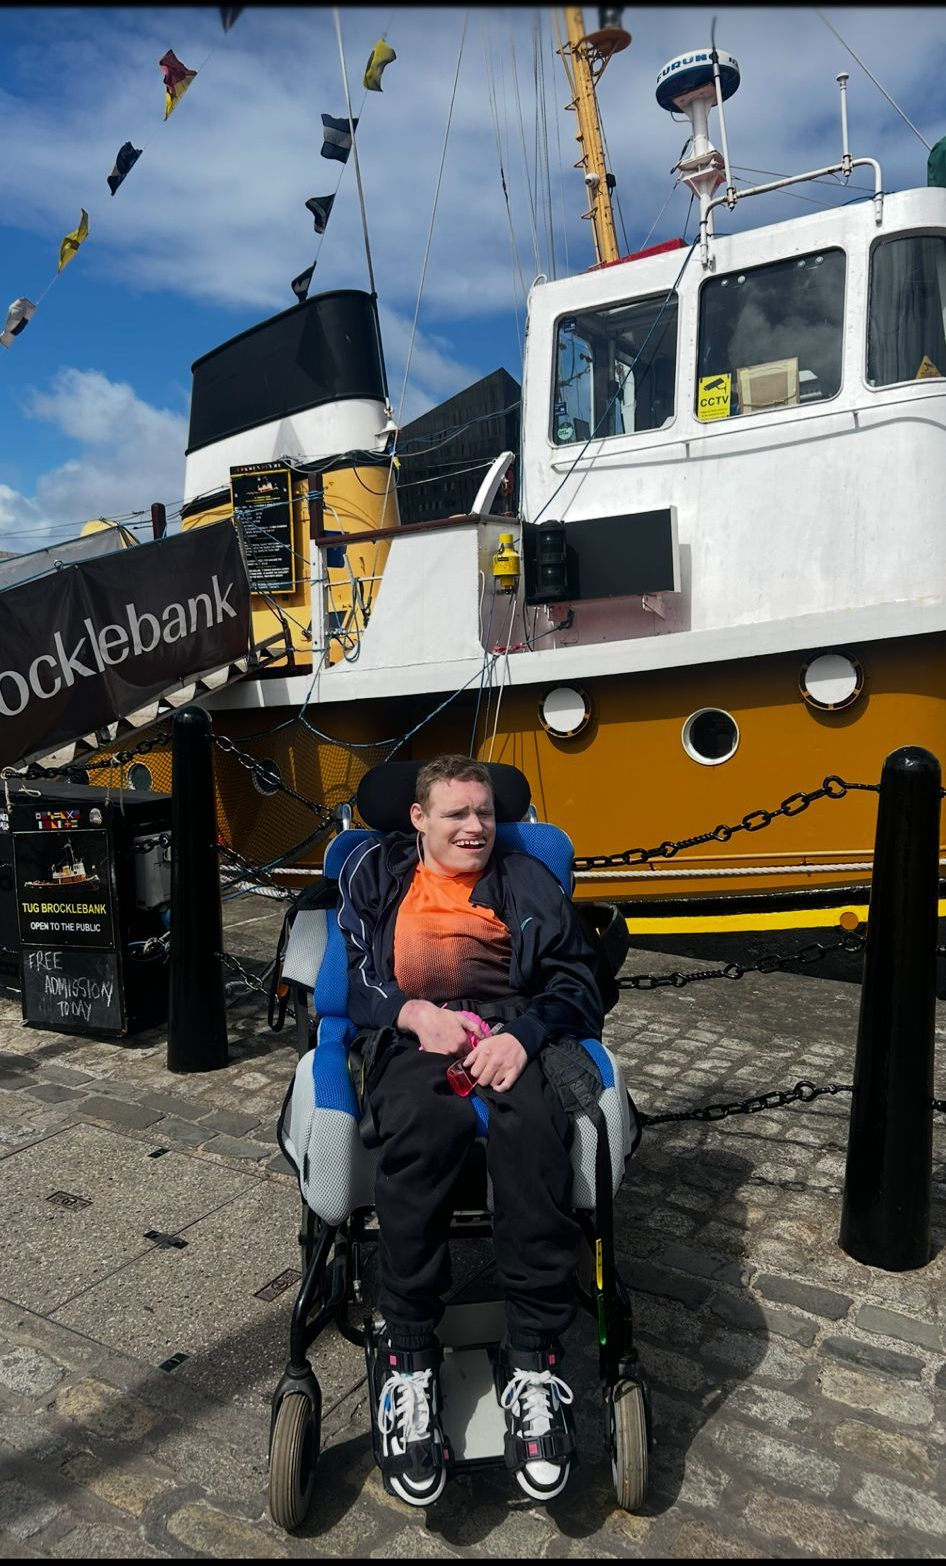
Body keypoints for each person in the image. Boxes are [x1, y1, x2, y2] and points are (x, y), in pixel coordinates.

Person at [337, 754, 604, 1508]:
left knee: (535, 1139)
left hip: (511, 1033)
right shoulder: (374, 872)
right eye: (456, 813)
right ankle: (410, 1358)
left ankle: (535, 1362)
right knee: (418, 1132)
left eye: (484, 812)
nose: (475, 827)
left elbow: (578, 980)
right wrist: (410, 1013)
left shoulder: (526, 878)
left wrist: (524, 1036)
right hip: (416, 1036)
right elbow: (353, 972)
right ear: (418, 818)